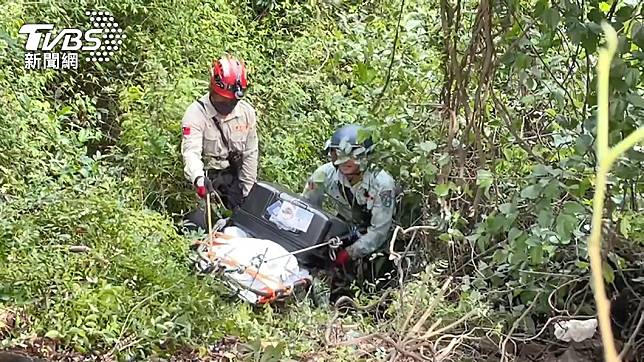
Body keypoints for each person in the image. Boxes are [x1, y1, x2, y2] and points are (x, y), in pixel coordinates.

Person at [301, 124, 397, 275]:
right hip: (345, 228)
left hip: (376, 238)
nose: (345, 161)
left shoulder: (382, 184)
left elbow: (379, 231)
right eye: (338, 153)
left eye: (353, 154)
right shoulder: (323, 174)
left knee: (376, 274)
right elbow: (306, 208)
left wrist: (349, 253)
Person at [180, 55, 258, 231]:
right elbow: (191, 152)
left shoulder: (246, 113)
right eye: (222, 100)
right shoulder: (195, 114)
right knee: (196, 225)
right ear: (212, 90)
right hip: (206, 178)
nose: (227, 105)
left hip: (232, 179)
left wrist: (248, 195)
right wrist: (198, 179)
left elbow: (250, 154)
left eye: (232, 101)